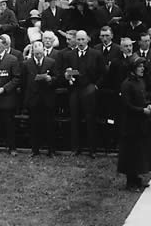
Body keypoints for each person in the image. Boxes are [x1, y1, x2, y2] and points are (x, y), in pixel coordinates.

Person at [61, 30, 105, 158]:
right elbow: (66, 72)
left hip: (89, 89)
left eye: (82, 39)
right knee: (74, 119)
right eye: (78, 39)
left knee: (90, 119)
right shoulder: (69, 55)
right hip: (75, 90)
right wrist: (67, 76)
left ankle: (92, 149)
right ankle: (76, 148)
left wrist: (96, 86)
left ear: (87, 40)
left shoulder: (96, 54)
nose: (80, 42)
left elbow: (103, 73)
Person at [117, 56, 151, 190]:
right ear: (133, 68)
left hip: (141, 124)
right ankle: (130, 182)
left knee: (140, 152)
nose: (142, 68)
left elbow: (142, 99)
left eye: (143, 66)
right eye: (139, 66)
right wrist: (142, 110)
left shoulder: (141, 82)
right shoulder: (126, 84)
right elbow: (126, 105)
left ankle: (137, 178)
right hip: (130, 125)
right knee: (131, 153)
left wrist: (148, 106)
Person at [23, 40, 57, 157]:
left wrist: (50, 79)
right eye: (36, 53)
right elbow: (23, 83)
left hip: (47, 98)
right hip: (33, 99)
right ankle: (35, 149)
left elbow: (57, 78)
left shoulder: (51, 62)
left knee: (50, 125)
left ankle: (51, 150)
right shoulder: (26, 64)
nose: (38, 55)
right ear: (33, 52)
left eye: (40, 53)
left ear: (43, 51)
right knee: (34, 126)